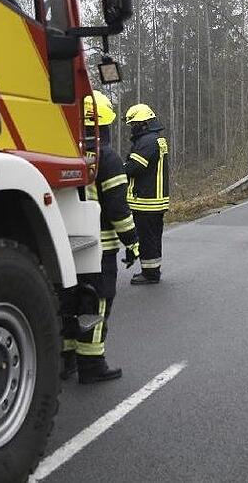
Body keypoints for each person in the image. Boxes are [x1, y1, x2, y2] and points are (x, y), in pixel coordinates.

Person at [61, 90, 140, 384]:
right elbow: (118, 208)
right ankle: (92, 365)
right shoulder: (106, 157)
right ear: (106, 124)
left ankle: (66, 360)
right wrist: (132, 243)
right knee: (96, 303)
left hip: (65, 245)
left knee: (68, 300)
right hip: (100, 246)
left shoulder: (63, 150)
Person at [124, 104, 169, 285]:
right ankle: (153, 269)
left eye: (133, 124)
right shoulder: (156, 139)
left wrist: (120, 168)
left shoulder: (147, 142)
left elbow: (135, 167)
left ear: (142, 124)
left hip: (146, 200)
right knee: (153, 236)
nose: (132, 129)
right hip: (156, 199)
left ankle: (150, 274)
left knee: (147, 238)